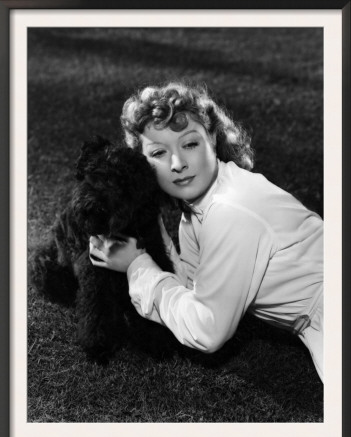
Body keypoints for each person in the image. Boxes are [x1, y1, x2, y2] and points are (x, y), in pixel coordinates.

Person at [89, 81, 324, 382]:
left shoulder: (229, 209)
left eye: (190, 144)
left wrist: (137, 267)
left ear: (212, 138)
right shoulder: (199, 210)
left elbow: (207, 329)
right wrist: (154, 236)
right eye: (159, 153)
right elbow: (194, 286)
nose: (177, 164)